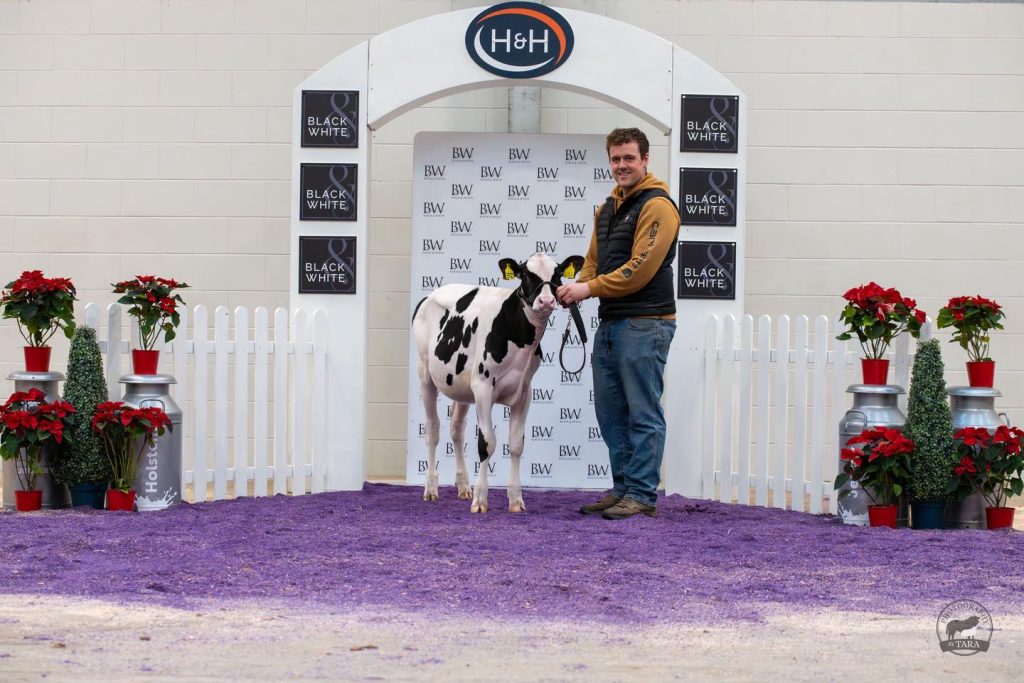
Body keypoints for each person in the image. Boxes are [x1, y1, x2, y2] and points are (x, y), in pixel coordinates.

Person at [557, 127, 680, 520]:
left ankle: (642, 494)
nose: (622, 165)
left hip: (646, 322)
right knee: (611, 414)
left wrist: (587, 289)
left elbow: (640, 269)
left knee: (643, 412)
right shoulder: (607, 207)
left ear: (645, 160)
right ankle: (624, 488)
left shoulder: (658, 205)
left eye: (629, 158)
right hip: (611, 322)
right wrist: (580, 284)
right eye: (615, 158)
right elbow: (593, 260)